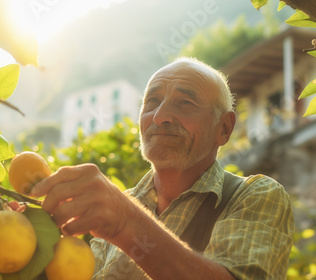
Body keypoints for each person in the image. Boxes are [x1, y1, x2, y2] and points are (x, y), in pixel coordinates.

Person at [31, 57, 294, 279]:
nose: (159, 117)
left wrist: (125, 222)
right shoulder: (113, 209)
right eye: (152, 102)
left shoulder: (255, 196)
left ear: (224, 128)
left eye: (185, 103)